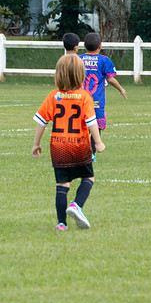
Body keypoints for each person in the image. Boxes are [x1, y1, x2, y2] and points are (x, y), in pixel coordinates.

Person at [32, 54, 105, 231]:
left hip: (58, 147)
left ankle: (61, 224)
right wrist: (98, 142)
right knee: (88, 177)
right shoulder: (84, 97)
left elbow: (41, 122)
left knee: (62, 185)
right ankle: (76, 205)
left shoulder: (53, 96)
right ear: (81, 75)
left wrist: (36, 144)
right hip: (79, 145)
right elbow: (91, 122)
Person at [79, 32, 127, 156]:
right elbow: (110, 78)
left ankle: (80, 150)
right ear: (100, 46)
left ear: (84, 46)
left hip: (80, 98)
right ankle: (92, 153)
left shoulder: (78, 59)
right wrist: (121, 89)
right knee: (96, 124)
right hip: (96, 100)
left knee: (81, 124)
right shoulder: (104, 60)